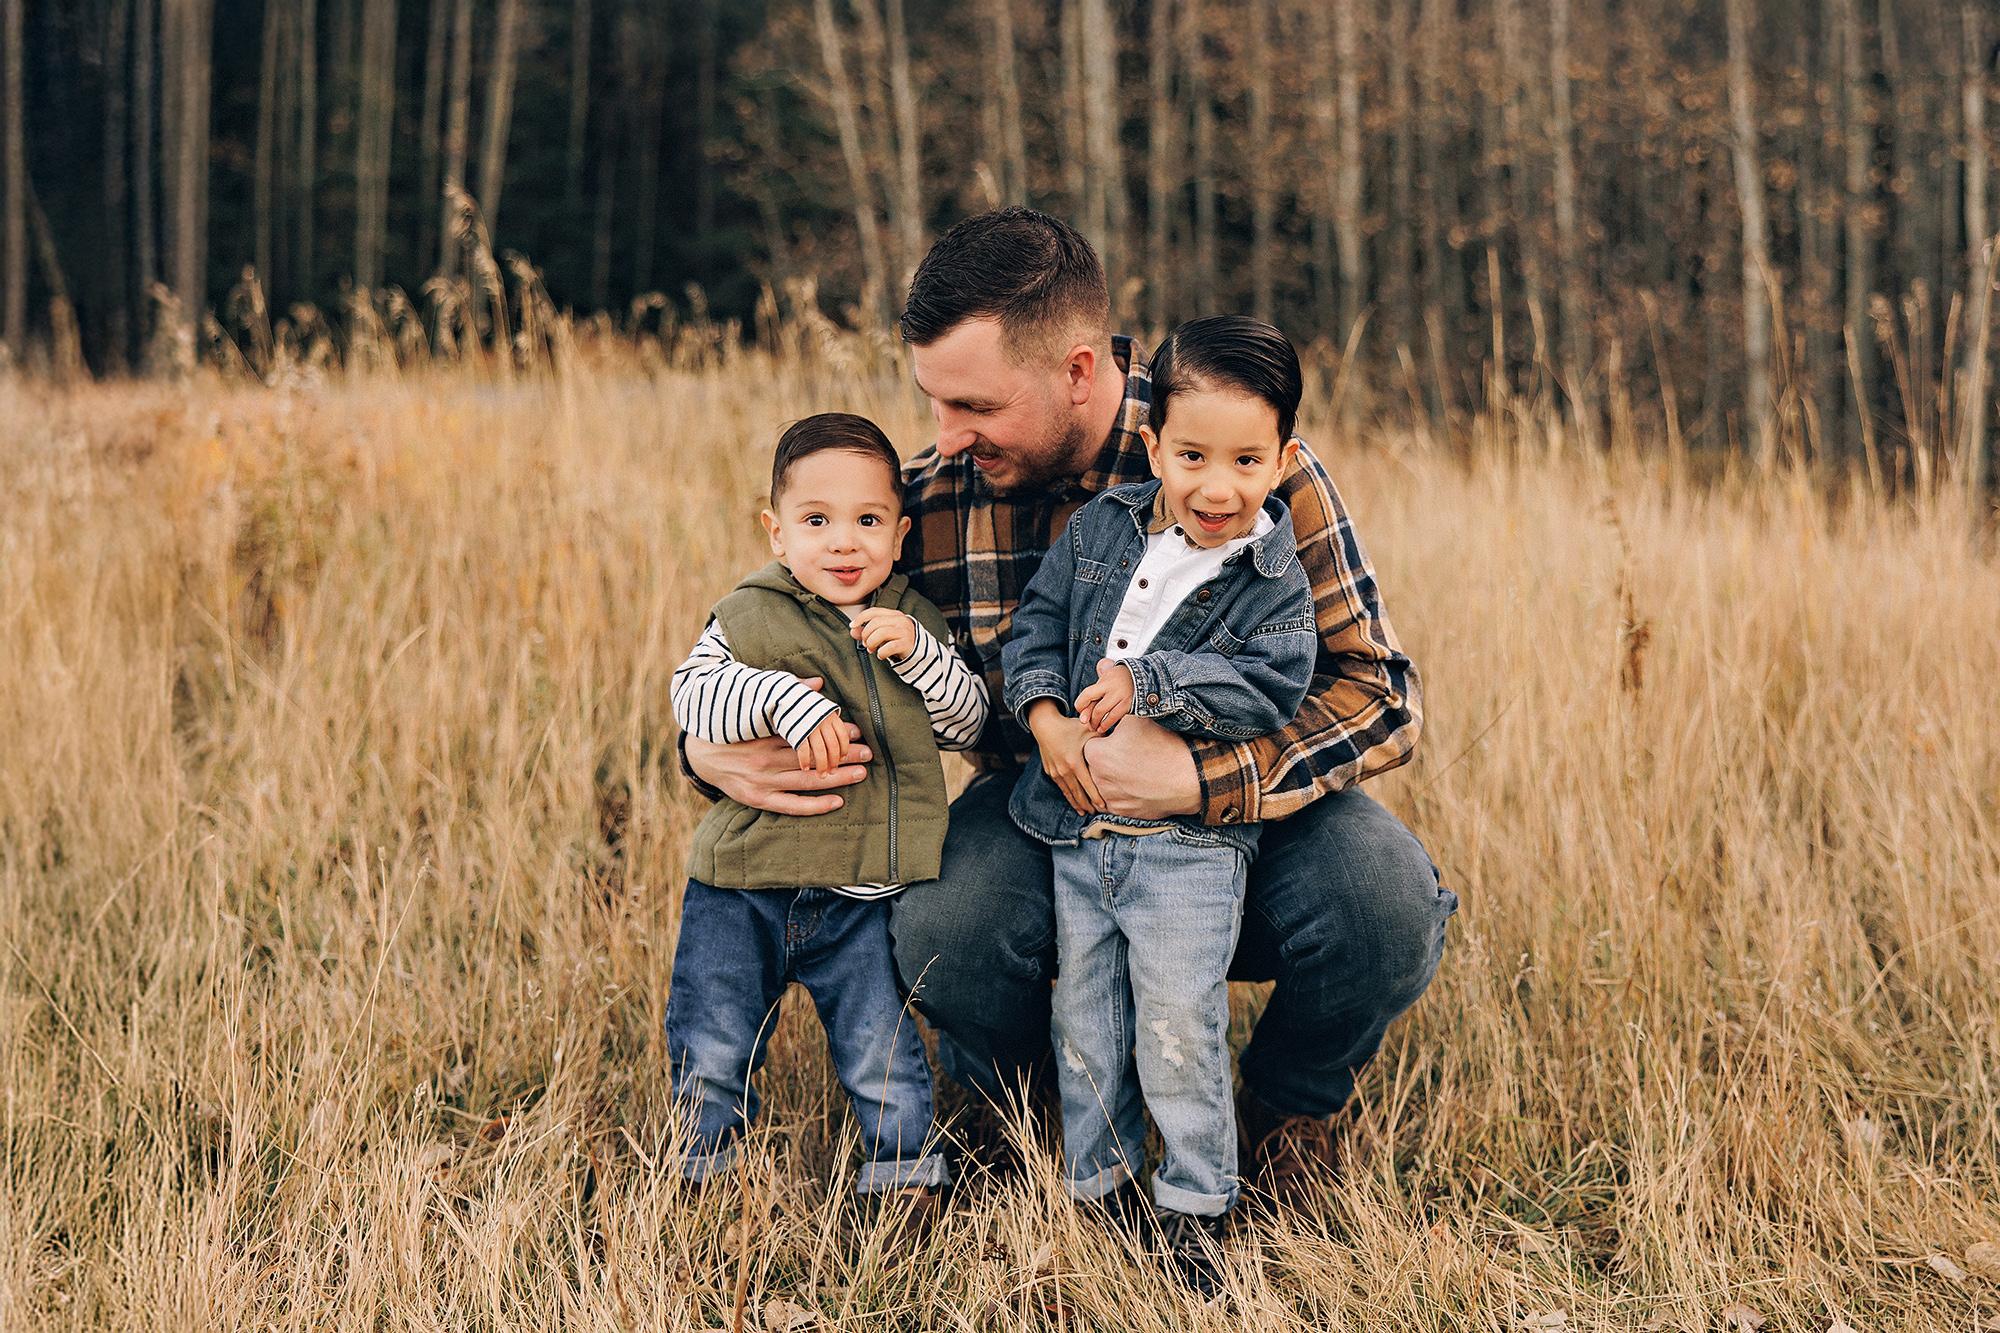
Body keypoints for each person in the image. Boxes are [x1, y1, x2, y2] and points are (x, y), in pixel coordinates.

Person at [681, 208, 1457, 1211]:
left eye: (974, 404)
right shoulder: (929, 499)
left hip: (1242, 823)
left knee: (1383, 902)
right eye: (932, 401)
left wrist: (1202, 777)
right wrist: (706, 749)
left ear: (1078, 371)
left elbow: (1380, 694)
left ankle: (1286, 1108)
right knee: (943, 922)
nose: (944, 436)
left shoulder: (1235, 462)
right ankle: (1030, 1103)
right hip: (1042, 816)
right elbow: (770, 631)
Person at [1005, 315, 1317, 1294]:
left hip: (1187, 848)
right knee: (1087, 1018)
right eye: (1192, 457)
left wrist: (1151, 683)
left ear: (1284, 460)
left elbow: (1272, 685)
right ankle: (1099, 1188)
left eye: (1245, 461)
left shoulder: (1271, 579)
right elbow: (1033, 629)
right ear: (1152, 447)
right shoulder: (1101, 530)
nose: (1217, 487)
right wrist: (1047, 720)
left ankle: (1194, 1206)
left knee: (1177, 1021)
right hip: (1077, 834)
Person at [666, 412, 988, 1230]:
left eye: (868, 520)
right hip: (743, 886)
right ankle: (706, 1170)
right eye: (816, 520)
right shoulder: (749, 615)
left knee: (881, 1046)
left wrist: (921, 655)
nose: (843, 542)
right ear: (776, 531)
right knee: (714, 1034)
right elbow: (692, 695)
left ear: (900, 535)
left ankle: (904, 1177)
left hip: (860, 891)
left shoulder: (911, 621)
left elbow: (969, 724)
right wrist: (779, 698)